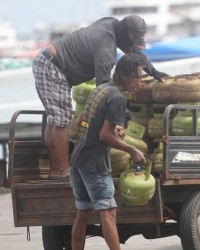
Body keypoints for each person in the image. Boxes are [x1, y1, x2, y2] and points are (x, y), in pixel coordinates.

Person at [32, 15, 167, 179]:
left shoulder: (111, 23)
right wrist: (118, 121)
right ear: (124, 34)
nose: (131, 47)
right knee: (62, 121)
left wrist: (153, 71)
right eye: (131, 41)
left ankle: (55, 170)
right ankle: (63, 170)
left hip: (48, 61)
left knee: (55, 120)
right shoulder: (106, 51)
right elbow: (104, 90)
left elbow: (132, 51)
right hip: (53, 66)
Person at [70, 53, 146, 250]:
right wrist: (132, 150)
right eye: (137, 76)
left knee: (84, 212)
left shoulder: (101, 89)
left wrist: (110, 129)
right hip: (94, 162)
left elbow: (82, 121)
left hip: (78, 159)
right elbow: (104, 135)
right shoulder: (117, 98)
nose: (140, 81)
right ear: (125, 75)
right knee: (108, 212)